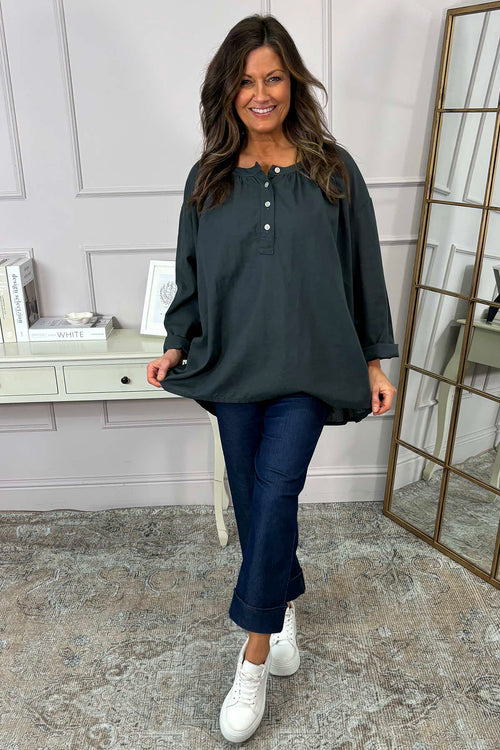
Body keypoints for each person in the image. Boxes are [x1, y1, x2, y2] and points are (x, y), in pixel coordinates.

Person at [146, 13, 399, 744]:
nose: (262, 93)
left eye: (275, 78)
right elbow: (191, 276)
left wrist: (375, 358)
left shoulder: (333, 170)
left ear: (294, 83)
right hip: (233, 364)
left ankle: (252, 656)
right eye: (247, 81)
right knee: (255, 496)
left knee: (278, 486)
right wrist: (175, 344)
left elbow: (363, 269)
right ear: (228, 92)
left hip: (312, 364)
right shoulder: (209, 178)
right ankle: (283, 603)